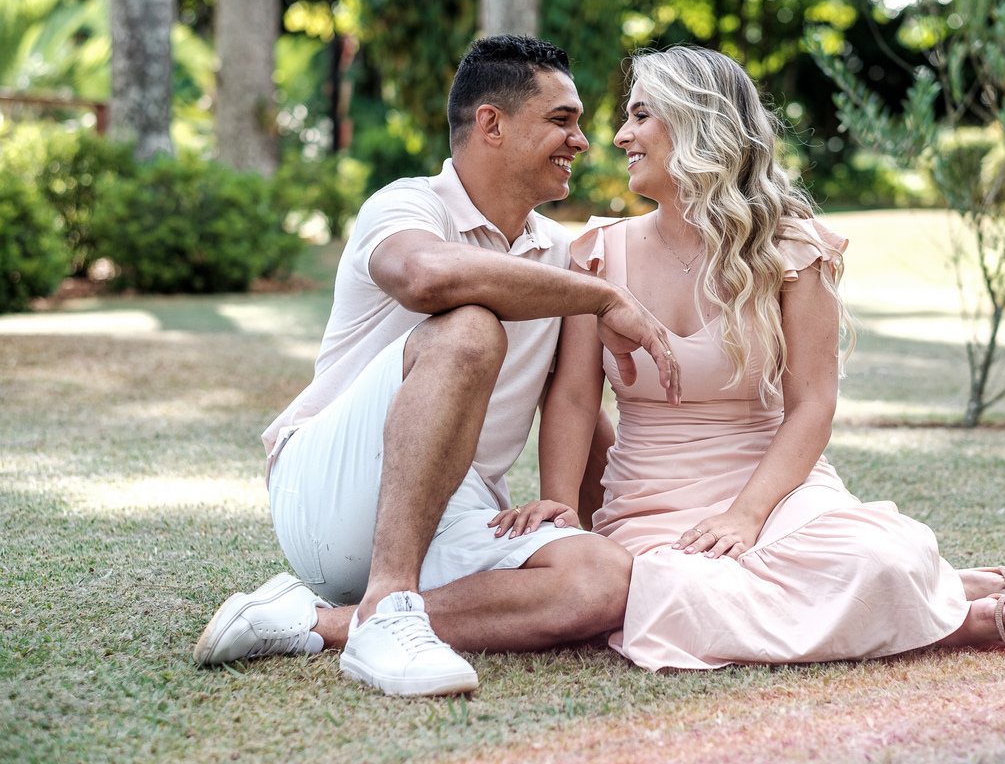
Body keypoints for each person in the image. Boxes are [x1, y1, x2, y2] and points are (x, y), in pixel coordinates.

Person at [494, 46, 1005, 671]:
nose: (621, 136)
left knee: (877, 560)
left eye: (641, 116)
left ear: (698, 124)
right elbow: (573, 395)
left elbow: (813, 406)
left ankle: (927, 604)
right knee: (673, 591)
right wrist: (562, 510)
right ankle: (928, 604)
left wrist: (745, 516)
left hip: (777, 492)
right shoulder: (597, 252)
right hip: (651, 502)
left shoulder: (793, 250)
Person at [191, 35, 683, 696]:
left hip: (455, 510)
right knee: (470, 328)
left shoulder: (560, 255)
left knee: (603, 579)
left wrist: (563, 509)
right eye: (561, 121)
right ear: (491, 124)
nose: (582, 140)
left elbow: (574, 400)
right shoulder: (405, 204)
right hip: (331, 491)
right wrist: (603, 296)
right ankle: (388, 601)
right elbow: (426, 277)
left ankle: (320, 622)